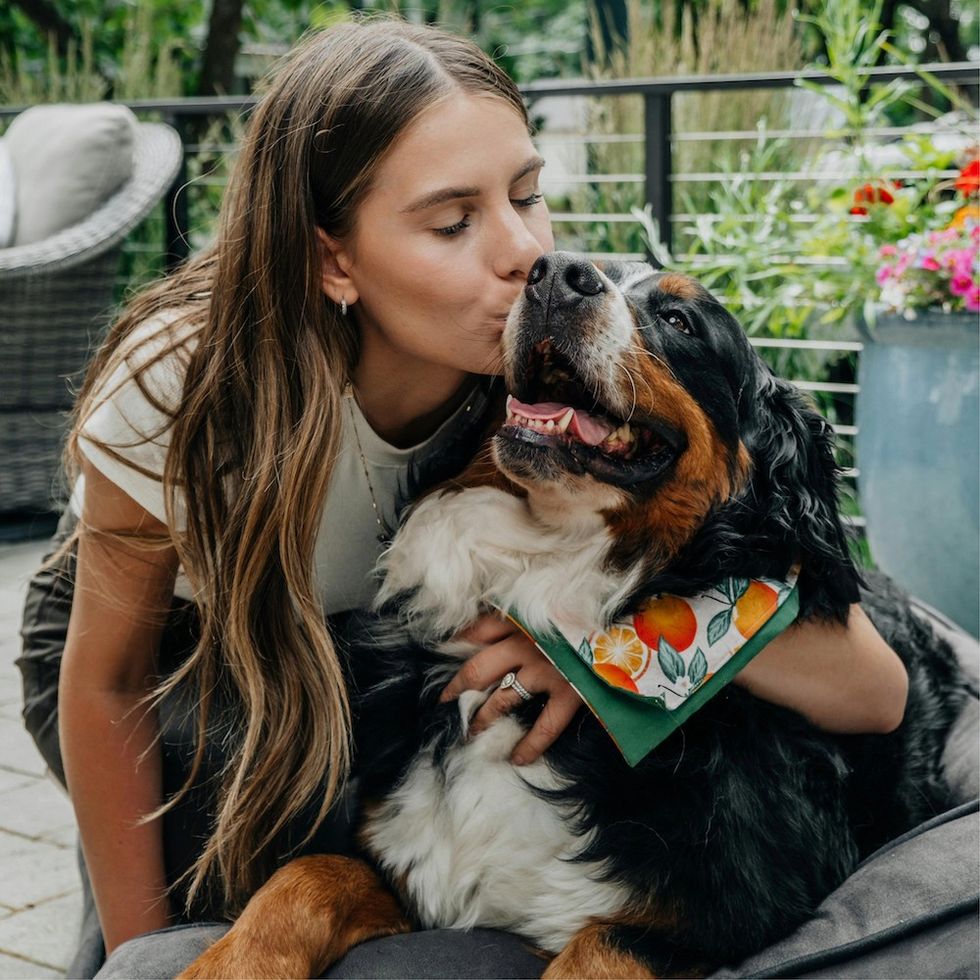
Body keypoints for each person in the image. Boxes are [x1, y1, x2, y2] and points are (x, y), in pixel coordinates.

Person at [16, 16, 910, 979]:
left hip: (363, 636)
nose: (525, 252)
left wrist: (603, 657)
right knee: (230, 876)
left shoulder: (525, 366)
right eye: (454, 222)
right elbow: (102, 682)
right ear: (333, 261)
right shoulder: (185, 382)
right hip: (177, 652)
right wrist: (144, 950)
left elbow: (874, 685)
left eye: (528, 194)